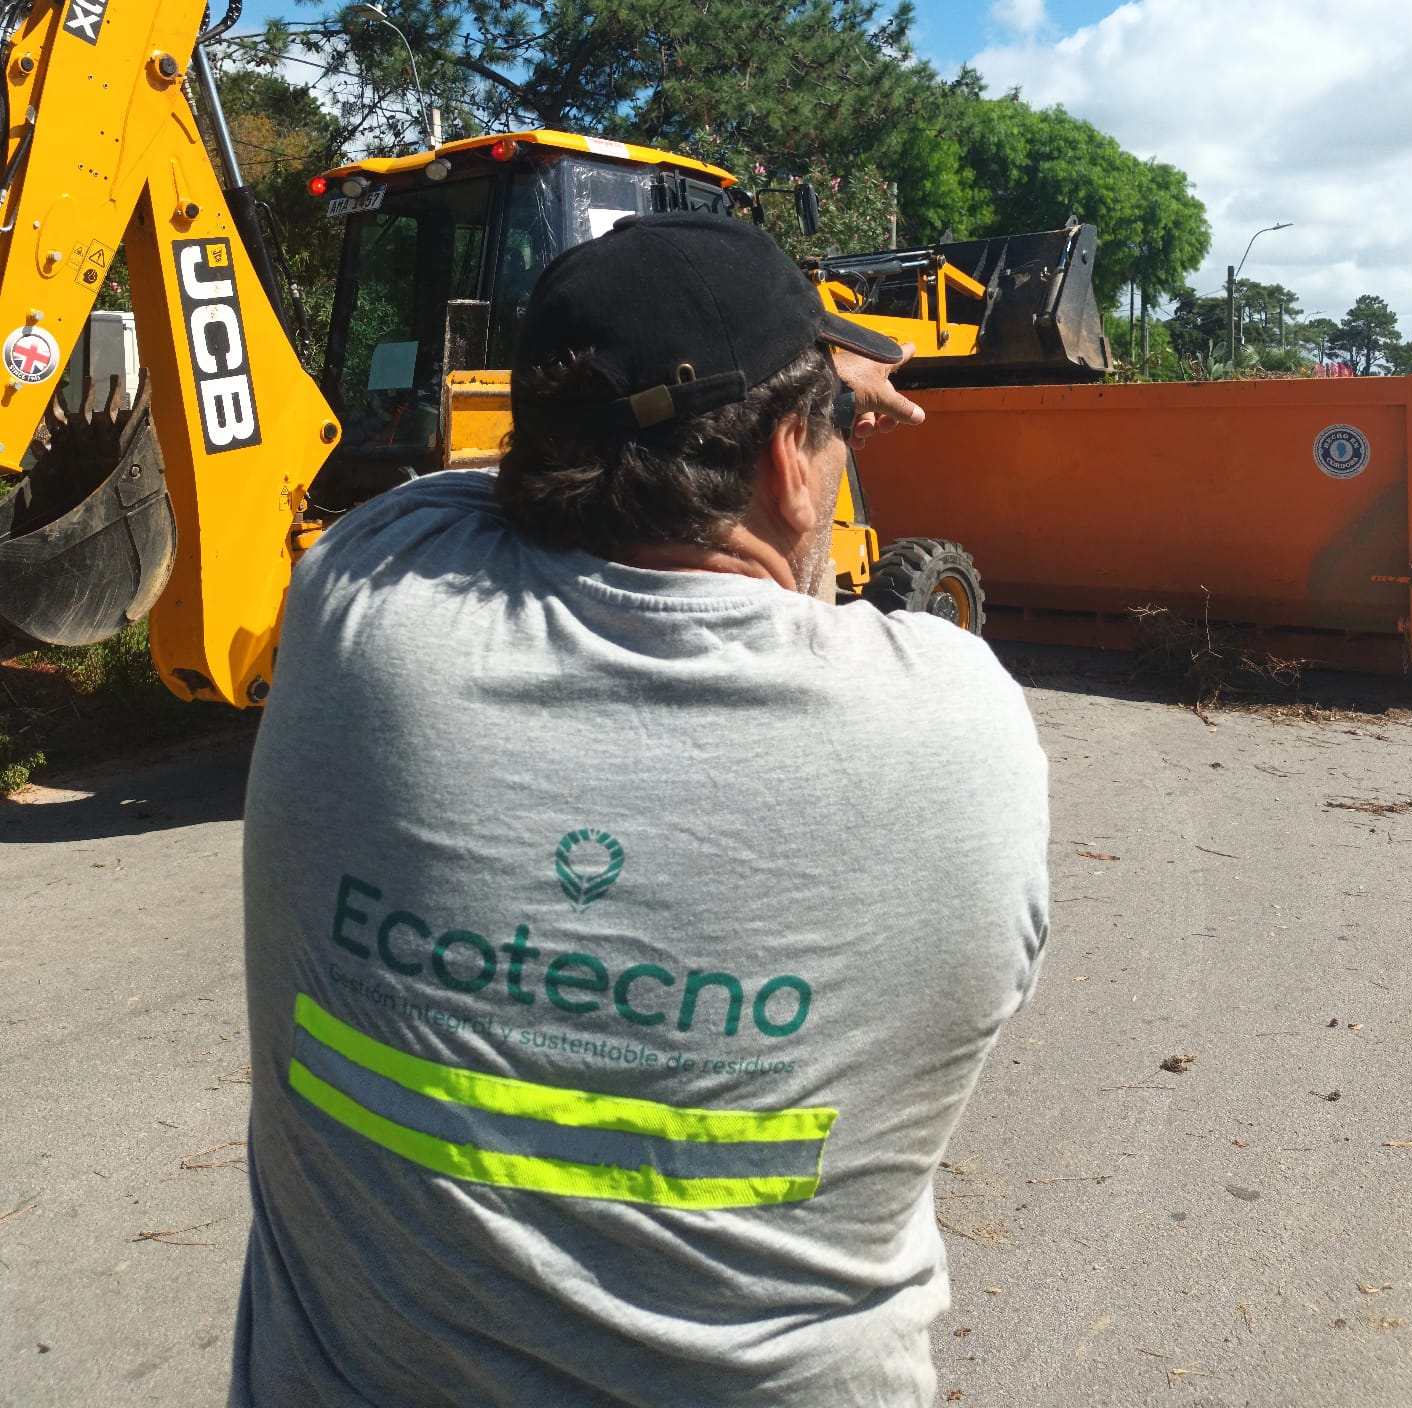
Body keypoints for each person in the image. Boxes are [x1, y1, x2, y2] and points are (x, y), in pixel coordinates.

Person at [231, 211, 1049, 1408]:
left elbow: (466, 487)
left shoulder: (360, 593)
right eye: (828, 433)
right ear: (788, 456)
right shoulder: (954, 722)